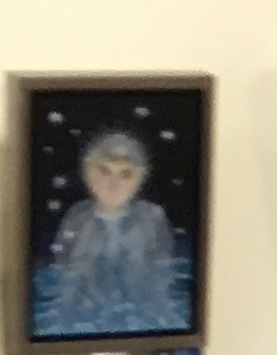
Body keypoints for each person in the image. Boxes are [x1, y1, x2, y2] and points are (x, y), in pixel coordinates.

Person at [44, 128, 189, 336]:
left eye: (125, 174)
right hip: (87, 317)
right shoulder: (76, 219)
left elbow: (163, 281)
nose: (113, 184)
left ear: (139, 179)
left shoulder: (152, 218)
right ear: (87, 172)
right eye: (104, 171)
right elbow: (64, 280)